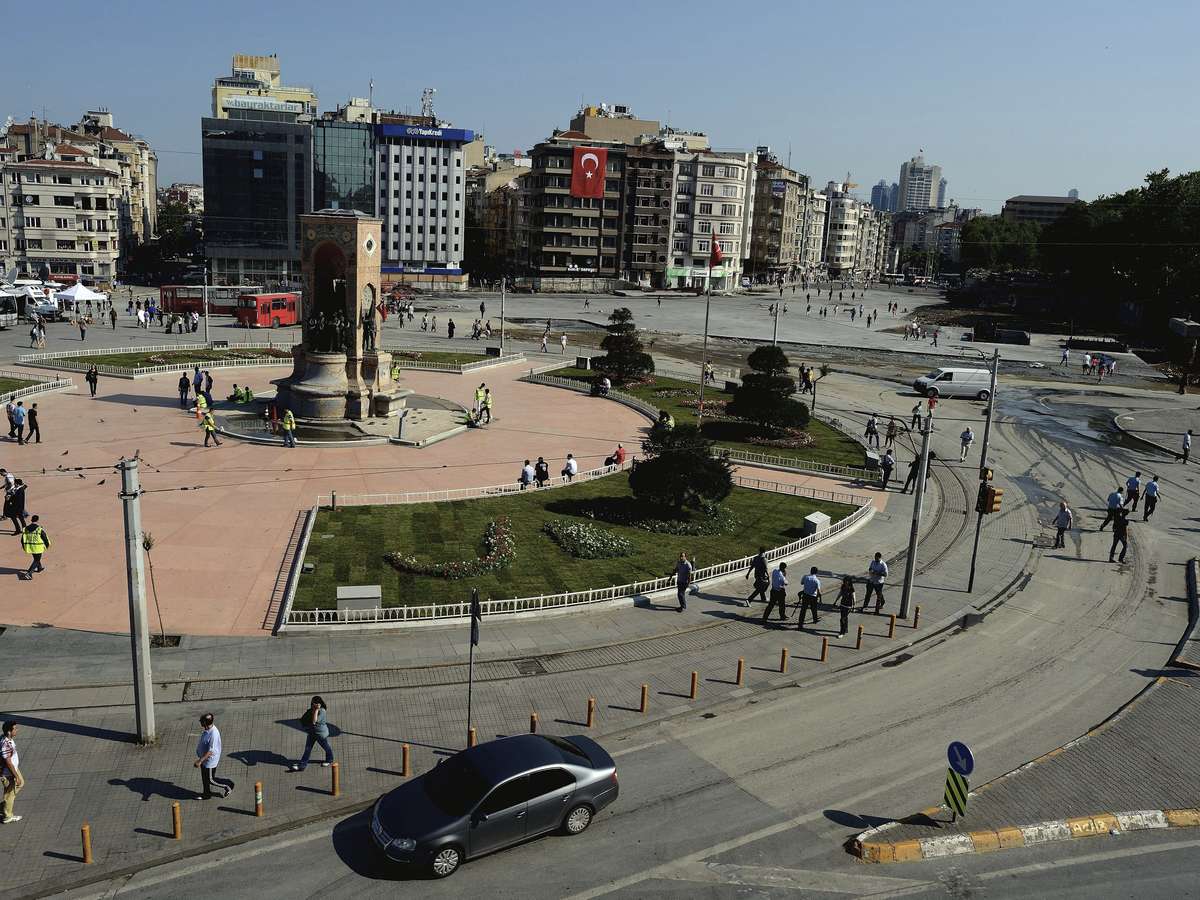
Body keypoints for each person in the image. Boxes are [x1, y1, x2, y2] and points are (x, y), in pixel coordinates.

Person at [194, 713, 234, 800]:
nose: (200, 722)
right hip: (204, 759)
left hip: (209, 761)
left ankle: (228, 785)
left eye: (202, 721)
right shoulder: (207, 730)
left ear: (205, 723)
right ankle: (206, 794)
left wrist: (200, 761)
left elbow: (210, 751)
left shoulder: (213, 734)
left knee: (210, 780)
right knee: (205, 778)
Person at [289, 697, 334, 772]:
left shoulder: (322, 711)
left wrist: (316, 710)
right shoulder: (312, 709)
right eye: (313, 703)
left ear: (320, 704)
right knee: (307, 749)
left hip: (320, 734)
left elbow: (314, 721)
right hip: (312, 733)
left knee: (326, 747)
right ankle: (302, 765)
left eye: (315, 703)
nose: (313, 705)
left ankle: (329, 759)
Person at [1, 720, 23, 824]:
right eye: (15, 728)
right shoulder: (5, 744)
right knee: (10, 793)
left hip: (13, 769)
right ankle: (8, 816)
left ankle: (4, 806)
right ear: (9, 732)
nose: (17, 730)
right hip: (9, 773)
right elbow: (8, 762)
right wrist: (16, 776)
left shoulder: (7, 739)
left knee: (20, 784)